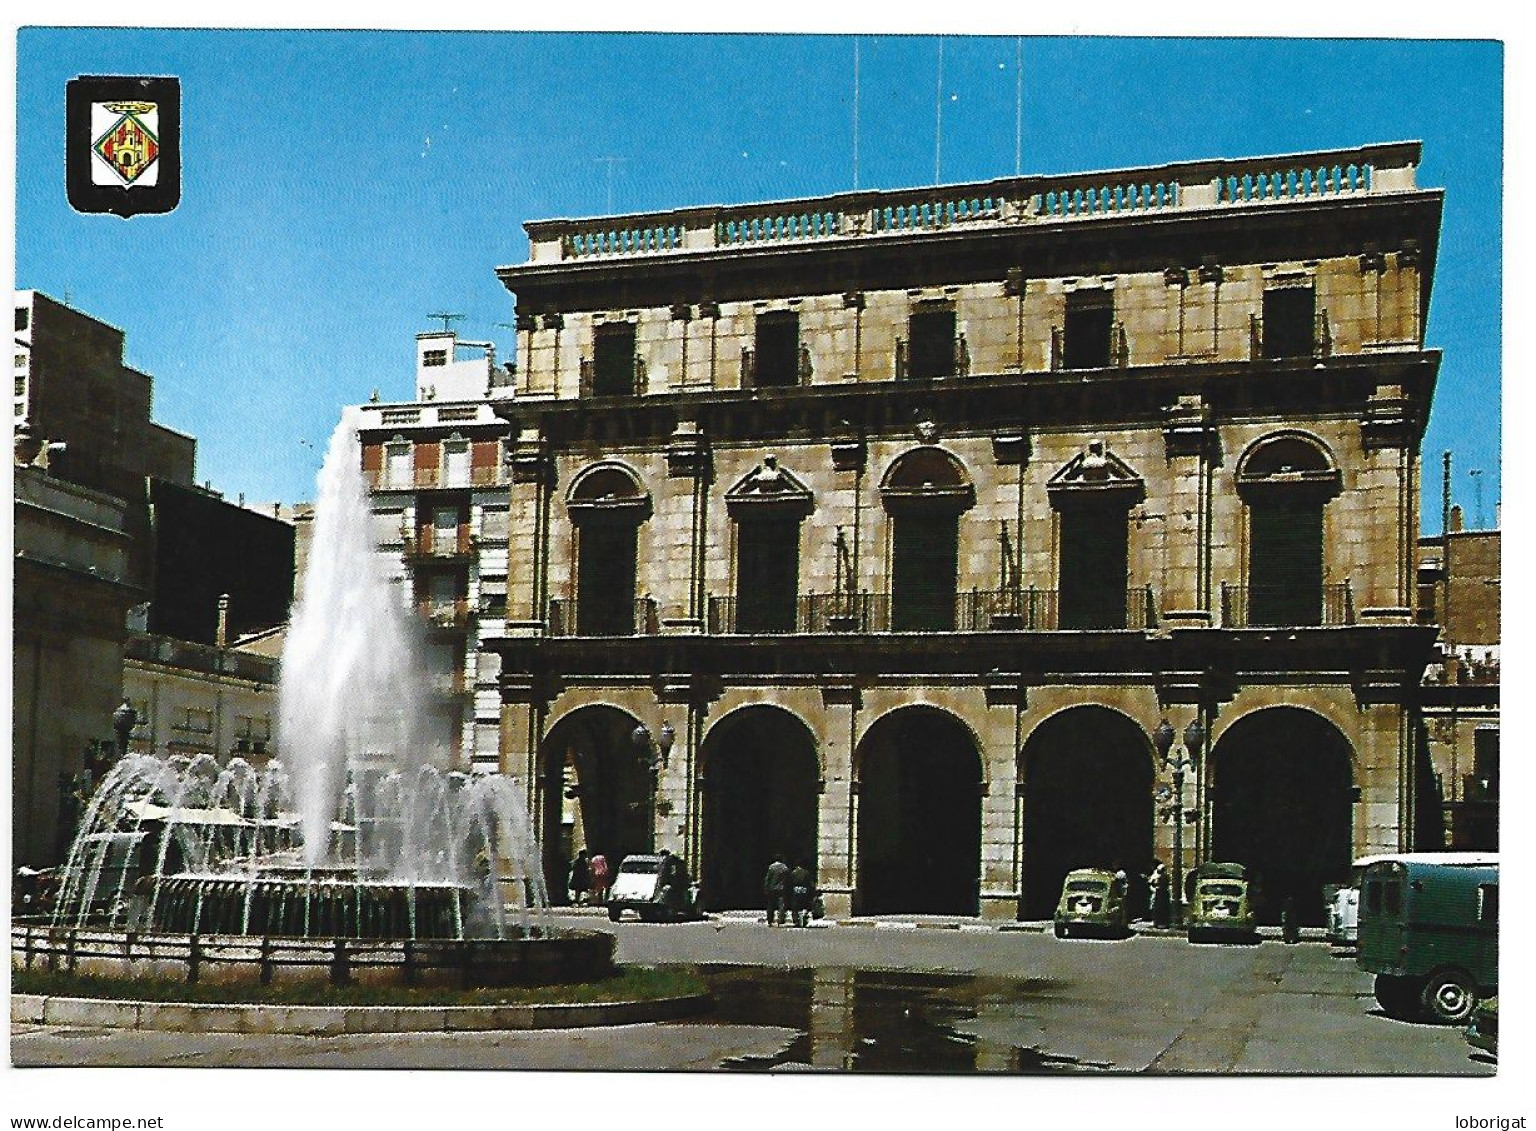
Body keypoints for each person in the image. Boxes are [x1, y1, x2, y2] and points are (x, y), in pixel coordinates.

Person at [763, 856, 790, 926]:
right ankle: (781, 919)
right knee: (781, 904)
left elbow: (768, 878)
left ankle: (770, 920)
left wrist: (766, 888)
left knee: (770, 904)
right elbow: (787, 880)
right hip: (781, 888)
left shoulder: (771, 867)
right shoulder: (785, 868)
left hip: (772, 888)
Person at [789, 861, 815, 928]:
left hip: (796, 890)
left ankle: (796, 921)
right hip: (804, 890)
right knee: (804, 905)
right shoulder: (806, 872)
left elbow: (790, 882)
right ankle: (804, 919)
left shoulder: (794, 872)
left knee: (795, 907)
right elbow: (810, 883)